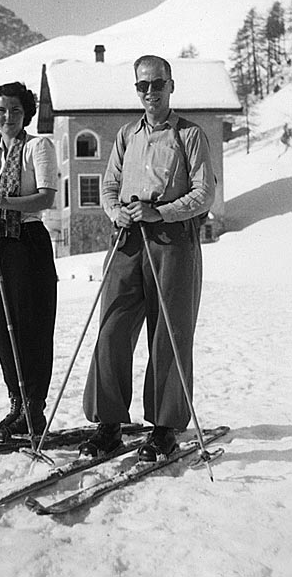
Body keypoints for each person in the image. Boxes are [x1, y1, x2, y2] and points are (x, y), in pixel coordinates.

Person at [80, 55, 216, 461]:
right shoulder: (126, 135)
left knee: (169, 333)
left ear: (171, 85)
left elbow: (204, 193)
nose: (151, 92)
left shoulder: (189, 135)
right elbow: (108, 185)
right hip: (127, 239)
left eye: (158, 84)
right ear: (136, 90)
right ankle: (109, 422)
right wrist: (114, 210)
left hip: (171, 240)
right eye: (143, 86)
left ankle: (164, 426)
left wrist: (162, 212)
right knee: (112, 326)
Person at [0, 82, 58, 442]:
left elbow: (45, 199)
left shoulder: (38, 147)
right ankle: (17, 403)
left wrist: (1, 203)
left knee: (31, 325)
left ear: (26, 114)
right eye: (1, 110)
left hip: (28, 241)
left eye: (16, 110)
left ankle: (33, 407)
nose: (8, 117)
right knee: (2, 324)